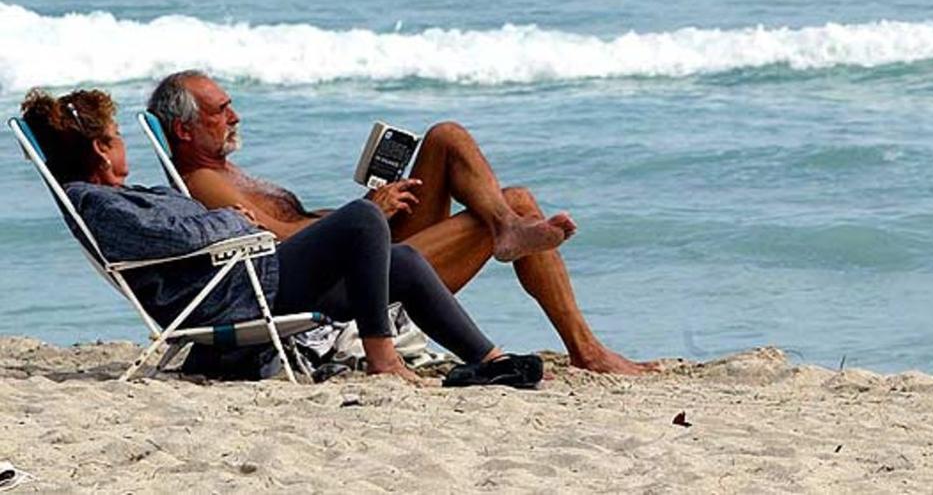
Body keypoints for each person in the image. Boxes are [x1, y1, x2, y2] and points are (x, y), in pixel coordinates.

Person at [20, 87, 543, 388]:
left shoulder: (127, 193)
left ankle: (491, 361)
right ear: (98, 151)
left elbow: (183, 226)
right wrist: (235, 221)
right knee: (363, 221)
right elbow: (181, 233)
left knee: (401, 261)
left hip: (252, 279)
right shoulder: (100, 203)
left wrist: (234, 221)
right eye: (114, 139)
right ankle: (385, 359)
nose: (122, 148)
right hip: (237, 295)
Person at [148, 70, 655, 374]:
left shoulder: (228, 170)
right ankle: (585, 349)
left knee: (446, 137)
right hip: (349, 289)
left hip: (357, 257)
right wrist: (368, 216)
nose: (234, 116)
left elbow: (302, 228)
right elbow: (279, 250)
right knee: (519, 200)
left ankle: (506, 228)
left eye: (230, 105)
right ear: (184, 130)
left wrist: (370, 207)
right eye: (220, 110)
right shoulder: (204, 182)